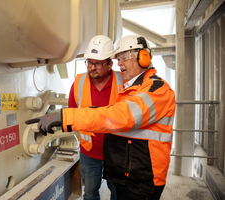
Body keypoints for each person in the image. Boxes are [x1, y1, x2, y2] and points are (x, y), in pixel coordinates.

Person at [26, 35, 176, 200]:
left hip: (141, 177)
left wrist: (65, 117)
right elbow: (105, 113)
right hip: (119, 166)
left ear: (144, 57)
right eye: (119, 58)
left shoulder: (156, 89)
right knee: (91, 193)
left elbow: (119, 115)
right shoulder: (131, 87)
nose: (120, 63)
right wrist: (65, 116)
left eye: (124, 57)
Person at [68, 35, 122, 200]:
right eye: (89, 62)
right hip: (89, 154)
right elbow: (72, 115)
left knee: (118, 195)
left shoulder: (123, 82)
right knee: (90, 194)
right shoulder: (78, 83)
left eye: (97, 63)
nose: (92, 67)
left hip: (117, 154)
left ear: (110, 64)